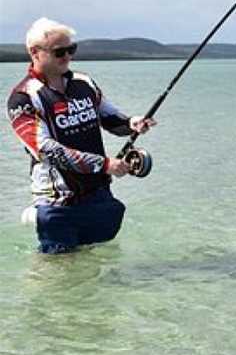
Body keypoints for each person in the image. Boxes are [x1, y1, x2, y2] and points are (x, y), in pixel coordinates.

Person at [7, 18, 157, 254]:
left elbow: (110, 118)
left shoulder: (84, 83)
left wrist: (132, 123)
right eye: (59, 52)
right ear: (35, 52)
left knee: (98, 265)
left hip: (99, 196)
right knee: (58, 274)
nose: (68, 56)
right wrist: (105, 164)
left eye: (71, 49)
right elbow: (47, 150)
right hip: (58, 204)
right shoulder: (22, 99)